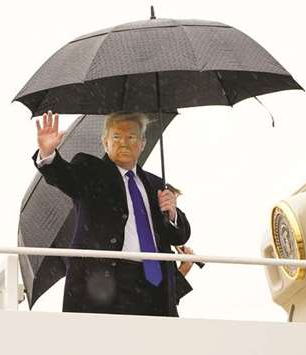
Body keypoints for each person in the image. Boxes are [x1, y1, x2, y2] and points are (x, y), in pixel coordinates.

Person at [33, 110, 191, 316]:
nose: (123, 143)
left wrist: (172, 213)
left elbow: (180, 235)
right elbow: (64, 176)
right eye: (116, 137)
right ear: (105, 142)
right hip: (104, 284)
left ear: (142, 143)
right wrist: (48, 155)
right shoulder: (90, 170)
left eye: (131, 137)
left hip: (154, 289)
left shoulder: (155, 184)